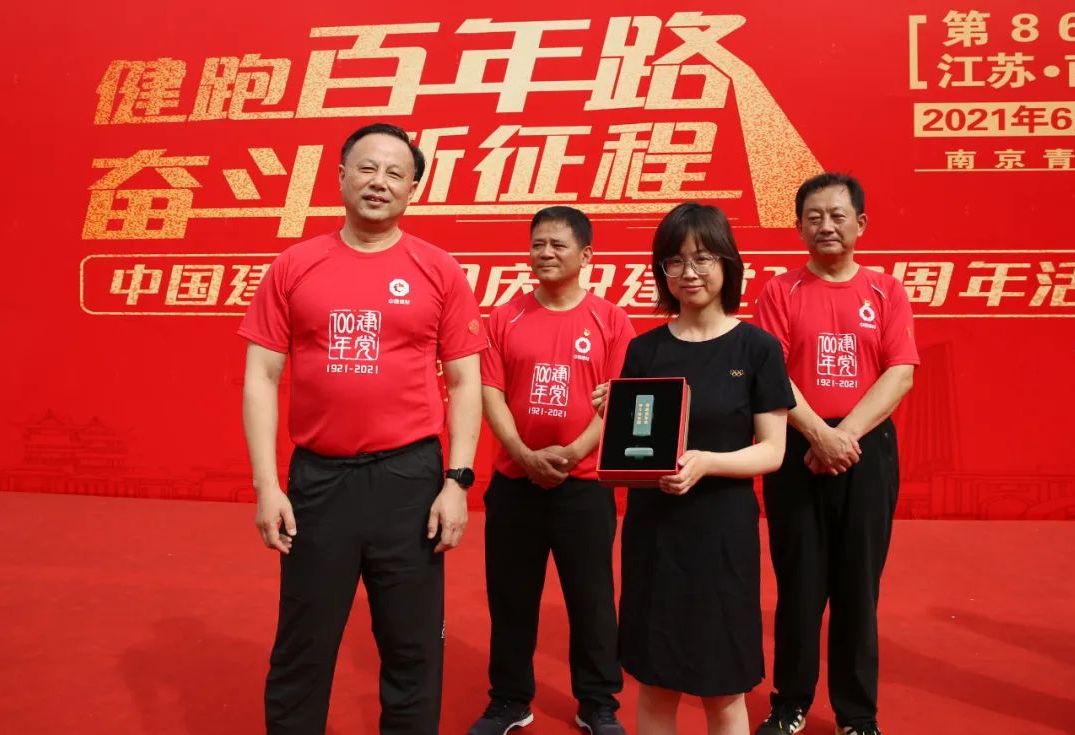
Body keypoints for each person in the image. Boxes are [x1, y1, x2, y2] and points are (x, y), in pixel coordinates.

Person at [238, 122, 487, 735]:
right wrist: (267, 486)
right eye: (367, 168)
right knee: (304, 643)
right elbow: (261, 377)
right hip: (319, 481)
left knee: (412, 647)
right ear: (342, 176)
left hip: (409, 481)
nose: (380, 182)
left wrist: (456, 482)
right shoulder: (295, 265)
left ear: (413, 189)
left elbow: (464, 383)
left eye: (396, 173)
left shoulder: (438, 269)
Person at [593, 202, 794, 735]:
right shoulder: (644, 350)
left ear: (727, 263)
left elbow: (772, 451)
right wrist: (616, 416)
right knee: (656, 683)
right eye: (675, 261)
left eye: (702, 258)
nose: (689, 272)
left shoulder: (757, 348)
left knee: (722, 688)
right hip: (655, 533)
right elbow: (633, 452)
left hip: (721, 534)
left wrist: (707, 463)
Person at [753, 173, 918, 735]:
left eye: (837, 215)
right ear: (799, 227)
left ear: (860, 225)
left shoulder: (886, 291)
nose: (826, 225)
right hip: (796, 449)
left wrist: (843, 435)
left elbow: (900, 373)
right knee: (799, 584)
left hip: (866, 451)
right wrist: (818, 435)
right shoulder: (780, 292)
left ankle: (857, 713)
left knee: (858, 585)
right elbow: (771, 374)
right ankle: (790, 703)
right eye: (814, 217)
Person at [470, 206, 634, 735]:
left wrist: (571, 454)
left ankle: (598, 702)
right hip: (515, 483)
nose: (545, 253)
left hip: (582, 487)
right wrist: (523, 454)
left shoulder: (610, 320)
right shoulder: (505, 317)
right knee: (511, 597)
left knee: (591, 599)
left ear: (586, 256)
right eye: (537, 244)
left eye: (558, 245)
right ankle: (509, 699)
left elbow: (619, 400)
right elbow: (490, 392)